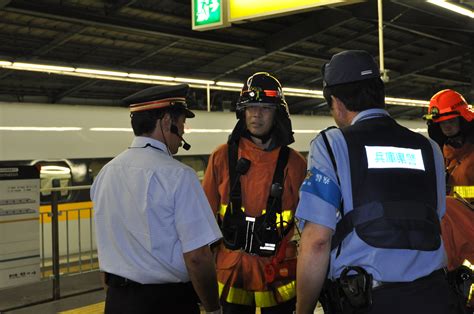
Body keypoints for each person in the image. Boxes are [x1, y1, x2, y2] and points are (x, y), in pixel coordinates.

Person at [295, 50, 450, 314]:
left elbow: (317, 240)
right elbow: (436, 218)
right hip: (436, 296)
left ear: (336, 102)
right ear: (379, 92)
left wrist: (303, 310)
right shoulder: (430, 149)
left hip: (369, 302)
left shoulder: (331, 145)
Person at [91, 84, 223, 314]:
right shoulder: (179, 176)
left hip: (117, 300)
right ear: (165, 122)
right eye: (182, 124)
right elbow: (198, 258)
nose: (182, 134)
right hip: (167, 301)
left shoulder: (106, 173)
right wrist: (213, 308)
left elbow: (107, 245)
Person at [202, 72, 307, 313]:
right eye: (250, 108)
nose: (256, 115)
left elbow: (309, 226)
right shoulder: (222, 157)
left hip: (277, 272)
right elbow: (204, 218)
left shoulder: (295, 164)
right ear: (242, 112)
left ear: (277, 114)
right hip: (231, 272)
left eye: (264, 108)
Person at [425, 89, 474, 312]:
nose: (445, 127)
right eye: (440, 123)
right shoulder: (444, 156)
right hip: (453, 238)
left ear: (463, 118)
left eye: (450, 120)